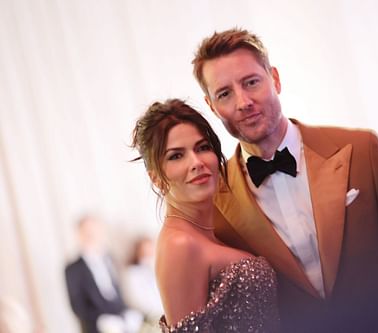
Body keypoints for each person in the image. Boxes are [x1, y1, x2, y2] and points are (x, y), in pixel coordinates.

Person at [191, 28, 378, 331]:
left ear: (275, 79)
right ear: (211, 105)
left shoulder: (363, 149)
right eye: (225, 93)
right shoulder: (215, 203)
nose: (243, 101)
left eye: (251, 82)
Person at [130, 99, 280, 332]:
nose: (197, 162)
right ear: (156, 178)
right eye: (176, 156)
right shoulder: (180, 244)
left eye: (202, 148)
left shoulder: (208, 231)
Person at [65, 215, 142, 333]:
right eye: (87, 232)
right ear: (79, 234)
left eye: (94, 231)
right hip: (96, 326)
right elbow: (78, 306)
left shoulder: (110, 258)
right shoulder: (73, 268)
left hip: (121, 319)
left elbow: (118, 293)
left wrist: (127, 312)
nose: (91, 235)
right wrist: (100, 320)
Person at [122, 236, 163, 330]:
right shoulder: (132, 273)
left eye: (151, 249)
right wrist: (154, 312)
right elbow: (136, 300)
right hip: (146, 317)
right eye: (145, 249)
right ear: (138, 251)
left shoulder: (156, 269)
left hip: (161, 312)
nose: (148, 252)